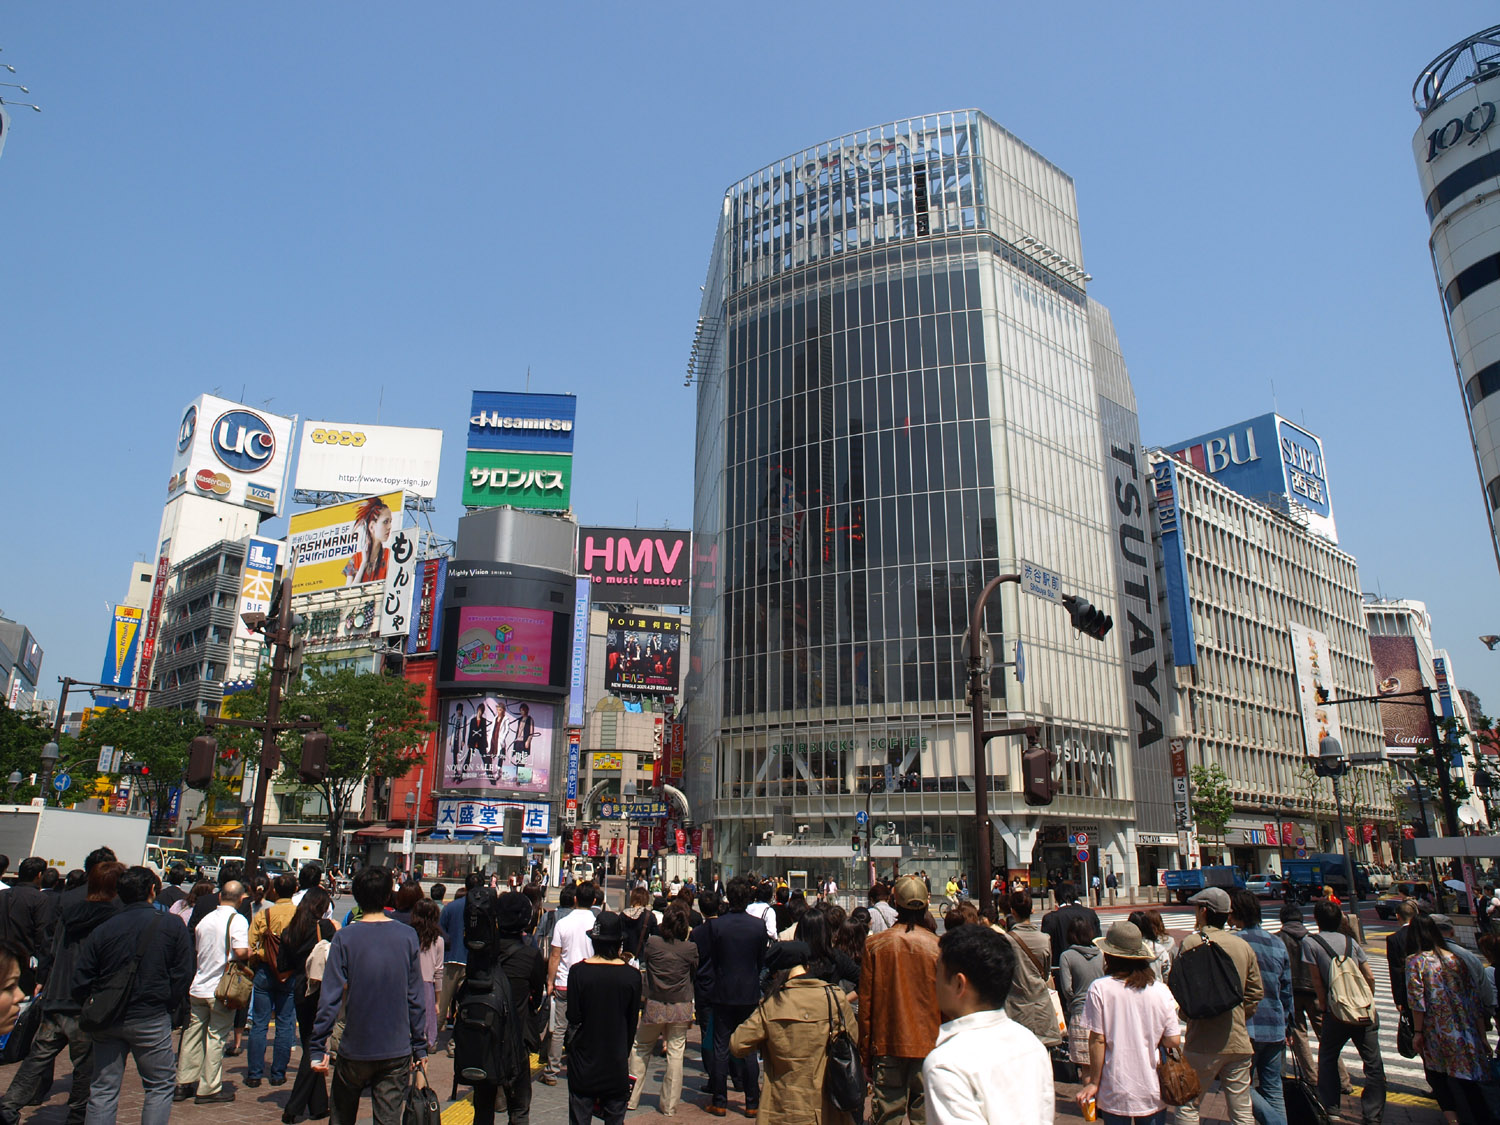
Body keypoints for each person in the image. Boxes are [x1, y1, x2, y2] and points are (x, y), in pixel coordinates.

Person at [1, 852, 121, 1125]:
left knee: (37, 1057)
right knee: (84, 1065)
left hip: (57, 994)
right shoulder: (112, 918)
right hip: (84, 1001)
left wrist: (46, 979)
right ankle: (77, 1114)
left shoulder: (68, 910)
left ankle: (9, 1106)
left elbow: (51, 949)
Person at [70, 865, 195, 1125]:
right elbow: (183, 971)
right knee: (160, 1085)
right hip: (150, 1013)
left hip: (108, 1015)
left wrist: (94, 1000)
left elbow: (81, 975)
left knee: (103, 1088)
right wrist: (167, 1003)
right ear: (152, 890)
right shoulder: (171, 925)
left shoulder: (105, 927)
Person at [308, 866, 427, 1125]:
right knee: (388, 1119)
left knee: (341, 1116)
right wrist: (420, 1047)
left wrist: (318, 1047)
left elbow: (329, 997)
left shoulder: (345, 938)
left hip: (354, 1047)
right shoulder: (407, 936)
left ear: (357, 896)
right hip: (396, 1048)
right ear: (388, 897)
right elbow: (415, 996)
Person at [923, 924, 1053, 1125]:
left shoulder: (945, 1063)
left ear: (959, 984)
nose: (933, 981)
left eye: (938, 972)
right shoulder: (1031, 1044)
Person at [729, 941, 859, 1125]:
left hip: (782, 1107)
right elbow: (853, 1039)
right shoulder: (834, 997)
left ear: (776, 974)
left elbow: (737, 1044)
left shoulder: (771, 1005)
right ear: (806, 966)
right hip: (826, 1107)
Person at [1172, 887, 1264, 1125]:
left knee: (1188, 1104)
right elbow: (1255, 991)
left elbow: (1181, 988)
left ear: (1203, 911)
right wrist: (1239, 1013)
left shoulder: (1192, 942)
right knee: (1241, 1109)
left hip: (1202, 1039)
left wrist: (1188, 1014)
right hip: (1237, 1039)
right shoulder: (1242, 945)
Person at [1076, 921, 1182, 1125]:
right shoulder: (1160, 991)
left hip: (1115, 1085)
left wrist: (1094, 1083)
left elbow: (1097, 1040)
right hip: (1152, 1086)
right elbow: (1174, 1040)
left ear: (1109, 956)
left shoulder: (1100, 988)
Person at [859, 875, 941, 1125]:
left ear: (896, 903)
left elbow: (866, 1006)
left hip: (887, 1043)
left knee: (887, 1116)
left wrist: (865, 1053)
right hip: (930, 1043)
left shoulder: (875, 945)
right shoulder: (939, 947)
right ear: (926, 904)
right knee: (927, 1115)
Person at [460, 890, 546, 1125]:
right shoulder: (530, 956)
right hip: (516, 1043)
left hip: (485, 1039)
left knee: (483, 1107)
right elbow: (537, 996)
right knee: (519, 1109)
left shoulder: (480, 955)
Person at [1301, 899, 1384, 1125]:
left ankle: (1333, 1109)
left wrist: (1324, 1005)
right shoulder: (1351, 942)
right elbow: (1369, 975)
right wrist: (1367, 999)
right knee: (1373, 1064)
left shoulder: (1311, 943)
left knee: (1328, 1057)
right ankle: (1372, 1115)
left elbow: (1317, 980)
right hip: (1362, 1009)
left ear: (1316, 920)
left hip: (1336, 1009)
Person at [1406, 914, 1493, 1125]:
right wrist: (1481, 1036)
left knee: (1438, 1077)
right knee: (1469, 1081)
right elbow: (1473, 999)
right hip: (1465, 1027)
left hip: (1436, 1030)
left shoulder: (1416, 961)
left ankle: (1453, 1120)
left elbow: (1417, 1002)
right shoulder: (1456, 959)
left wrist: (1417, 1033)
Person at [174, 880, 250, 1106]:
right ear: (239, 899)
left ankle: (183, 1082)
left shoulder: (205, 920)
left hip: (198, 985)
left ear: (220, 896)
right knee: (215, 1037)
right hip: (220, 989)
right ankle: (209, 1087)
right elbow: (240, 951)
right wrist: (251, 951)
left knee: (192, 1036)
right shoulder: (237, 920)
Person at [564, 912, 641, 1125]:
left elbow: (573, 1016)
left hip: (583, 1061)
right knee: (615, 1117)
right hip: (615, 1061)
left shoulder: (578, 972)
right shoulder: (632, 977)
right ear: (619, 943)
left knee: (579, 1117)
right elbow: (631, 1023)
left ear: (594, 941)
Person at [627, 904, 699, 1115]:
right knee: (676, 1053)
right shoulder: (690, 948)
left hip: (655, 1003)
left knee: (640, 1048)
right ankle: (669, 1105)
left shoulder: (653, 943)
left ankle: (631, 1097)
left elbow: (646, 962)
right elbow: (693, 970)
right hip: (680, 1003)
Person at [1229, 889, 1290, 1125]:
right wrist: (1288, 1022)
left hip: (1246, 1025)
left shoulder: (1235, 943)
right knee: (1274, 1086)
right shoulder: (1277, 943)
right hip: (1275, 1023)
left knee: (1238, 1083)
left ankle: (1276, 1122)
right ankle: (1278, 1121)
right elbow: (1286, 989)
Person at [277, 888, 337, 1125]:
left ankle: (319, 1105)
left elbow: (283, 965)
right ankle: (294, 1107)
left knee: (309, 1041)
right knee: (316, 1045)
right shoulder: (326, 928)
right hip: (321, 988)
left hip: (300, 988)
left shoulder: (290, 930)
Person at [542, 880, 598, 1085]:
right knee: (589, 1027)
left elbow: (555, 956)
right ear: (593, 901)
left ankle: (551, 1070)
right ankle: (585, 1068)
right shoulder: (596, 924)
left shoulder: (562, 923)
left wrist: (550, 981)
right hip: (591, 982)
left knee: (559, 1028)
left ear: (575, 899)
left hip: (565, 981)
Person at [246, 872, 299, 1088]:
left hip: (265, 971)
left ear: (273, 890)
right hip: (291, 973)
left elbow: (252, 946)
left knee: (259, 1023)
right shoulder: (299, 914)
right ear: (295, 890)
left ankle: (254, 1073)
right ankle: (278, 1073)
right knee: (285, 1024)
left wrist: (262, 955)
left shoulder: (265, 914)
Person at [439, 872, 479, 1055]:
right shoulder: (481, 908)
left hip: (451, 959)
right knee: (465, 1006)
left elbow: (440, 929)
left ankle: (430, 1041)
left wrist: (450, 942)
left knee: (442, 1003)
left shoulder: (451, 907)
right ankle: (454, 1043)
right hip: (471, 961)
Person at [1058, 915, 1105, 1069]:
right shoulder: (1101, 954)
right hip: (1101, 1014)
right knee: (1102, 1065)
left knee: (1086, 1068)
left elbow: (1067, 988)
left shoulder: (1067, 956)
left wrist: (1072, 1000)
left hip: (1079, 1013)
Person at [3, 857, 55, 990]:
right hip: (24, 963)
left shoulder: (3, 894)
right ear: (39, 875)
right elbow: (43, 937)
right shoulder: (40, 899)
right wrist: (42, 975)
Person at [1042, 883, 1100, 969]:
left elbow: (1045, 948)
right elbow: (1097, 941)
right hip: (1090, 967)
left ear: (1057, 899)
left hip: (1060, 968)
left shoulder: (1051, 918)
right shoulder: (1091, 914)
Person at [412, 899, 444, 1050]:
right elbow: (438, 971)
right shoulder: (438, 940)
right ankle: (420, 1071)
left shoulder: (408, 936)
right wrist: (437, 1001)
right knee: (423, 1041)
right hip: (428, 988)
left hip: (409, 985)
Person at [343, 495, 393, 584]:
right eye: (385, 522)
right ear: (372, 526)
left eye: (390, 522)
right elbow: (348, 592)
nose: (389, 527)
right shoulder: (355, 559)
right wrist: (363, 564)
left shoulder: (390, 556)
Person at [1127, 910, 1174, 984]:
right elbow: (1167, 974)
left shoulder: (1125, 949)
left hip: (1132, 989)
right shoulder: (1160, 949)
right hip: (1156, 989)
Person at [620, 885, 657, 963]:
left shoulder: (623, 915)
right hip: (642, 957)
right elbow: (655, 938)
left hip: (626, 957)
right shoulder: (650, 916)